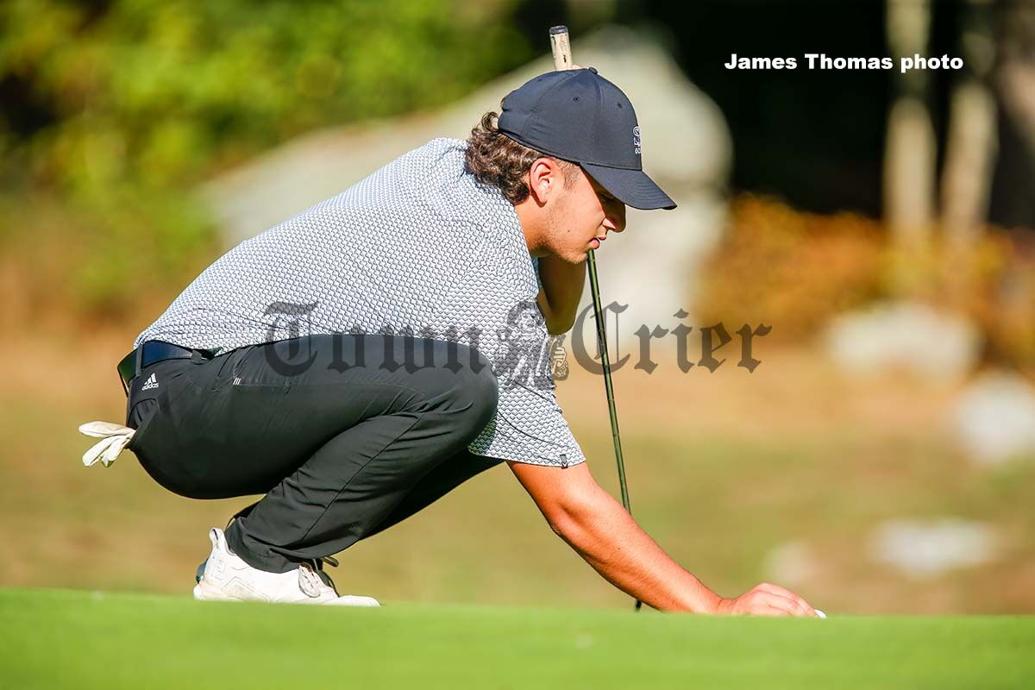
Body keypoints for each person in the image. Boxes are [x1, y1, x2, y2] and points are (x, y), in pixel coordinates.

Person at [83, 67, 818, 615]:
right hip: (193, 401)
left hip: (205, 394)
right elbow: (568, 501)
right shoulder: (471, 265)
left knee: (476, 413)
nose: (616, 225)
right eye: (608, 197)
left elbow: (540, 319)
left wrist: (560, 252)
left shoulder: (445, 170)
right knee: (467, 393)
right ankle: (256, 560)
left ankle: (277, 559)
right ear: (542, 175)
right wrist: (714, 609)